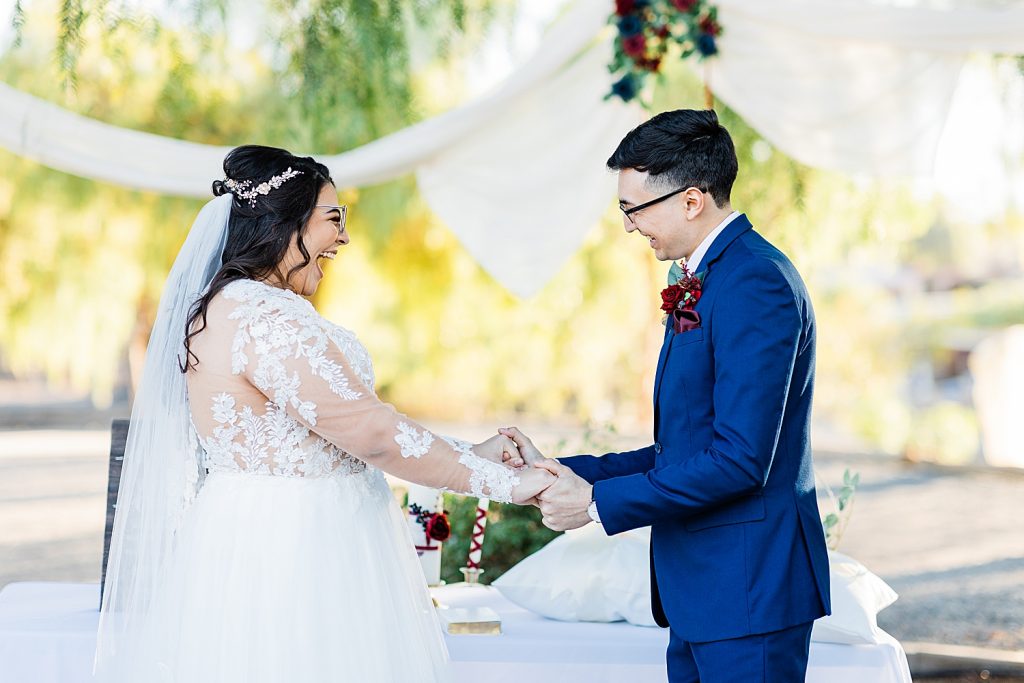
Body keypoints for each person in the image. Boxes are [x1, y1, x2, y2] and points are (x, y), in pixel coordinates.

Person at [93, 145, 554, 682]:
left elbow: (343, 428)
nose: (344, 237)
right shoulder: (265, 314)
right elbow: (372, 434)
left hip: (259, 533)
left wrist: (464, 453)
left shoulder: (230, 305)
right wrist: (508, 483)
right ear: (286, 222)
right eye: (333, 219)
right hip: (295, 548)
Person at [502, 109, 832, 682]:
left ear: (691, 200)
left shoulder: (755, 281)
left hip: (747, 592)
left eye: (634, 209)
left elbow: (739, 460)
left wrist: (597, 506)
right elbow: (681, 448)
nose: (628, 225)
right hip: (705, 595)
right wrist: (565, 472)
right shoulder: (710, 278)